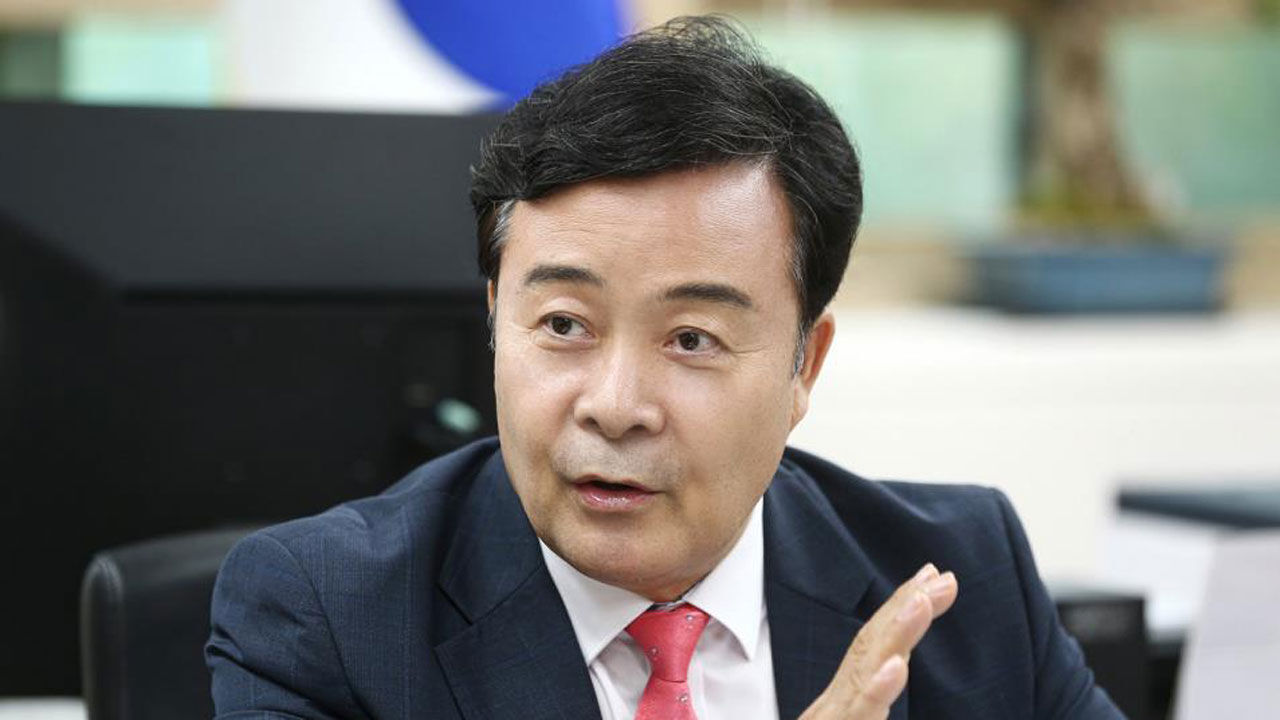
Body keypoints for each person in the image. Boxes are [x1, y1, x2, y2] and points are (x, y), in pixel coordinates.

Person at [207, 16, 1122, 720]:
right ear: (495, 322)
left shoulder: (963, 583)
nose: (614, 407)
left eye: (691, 339)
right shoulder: (326, 618)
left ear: (804, 366)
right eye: (563, 324)